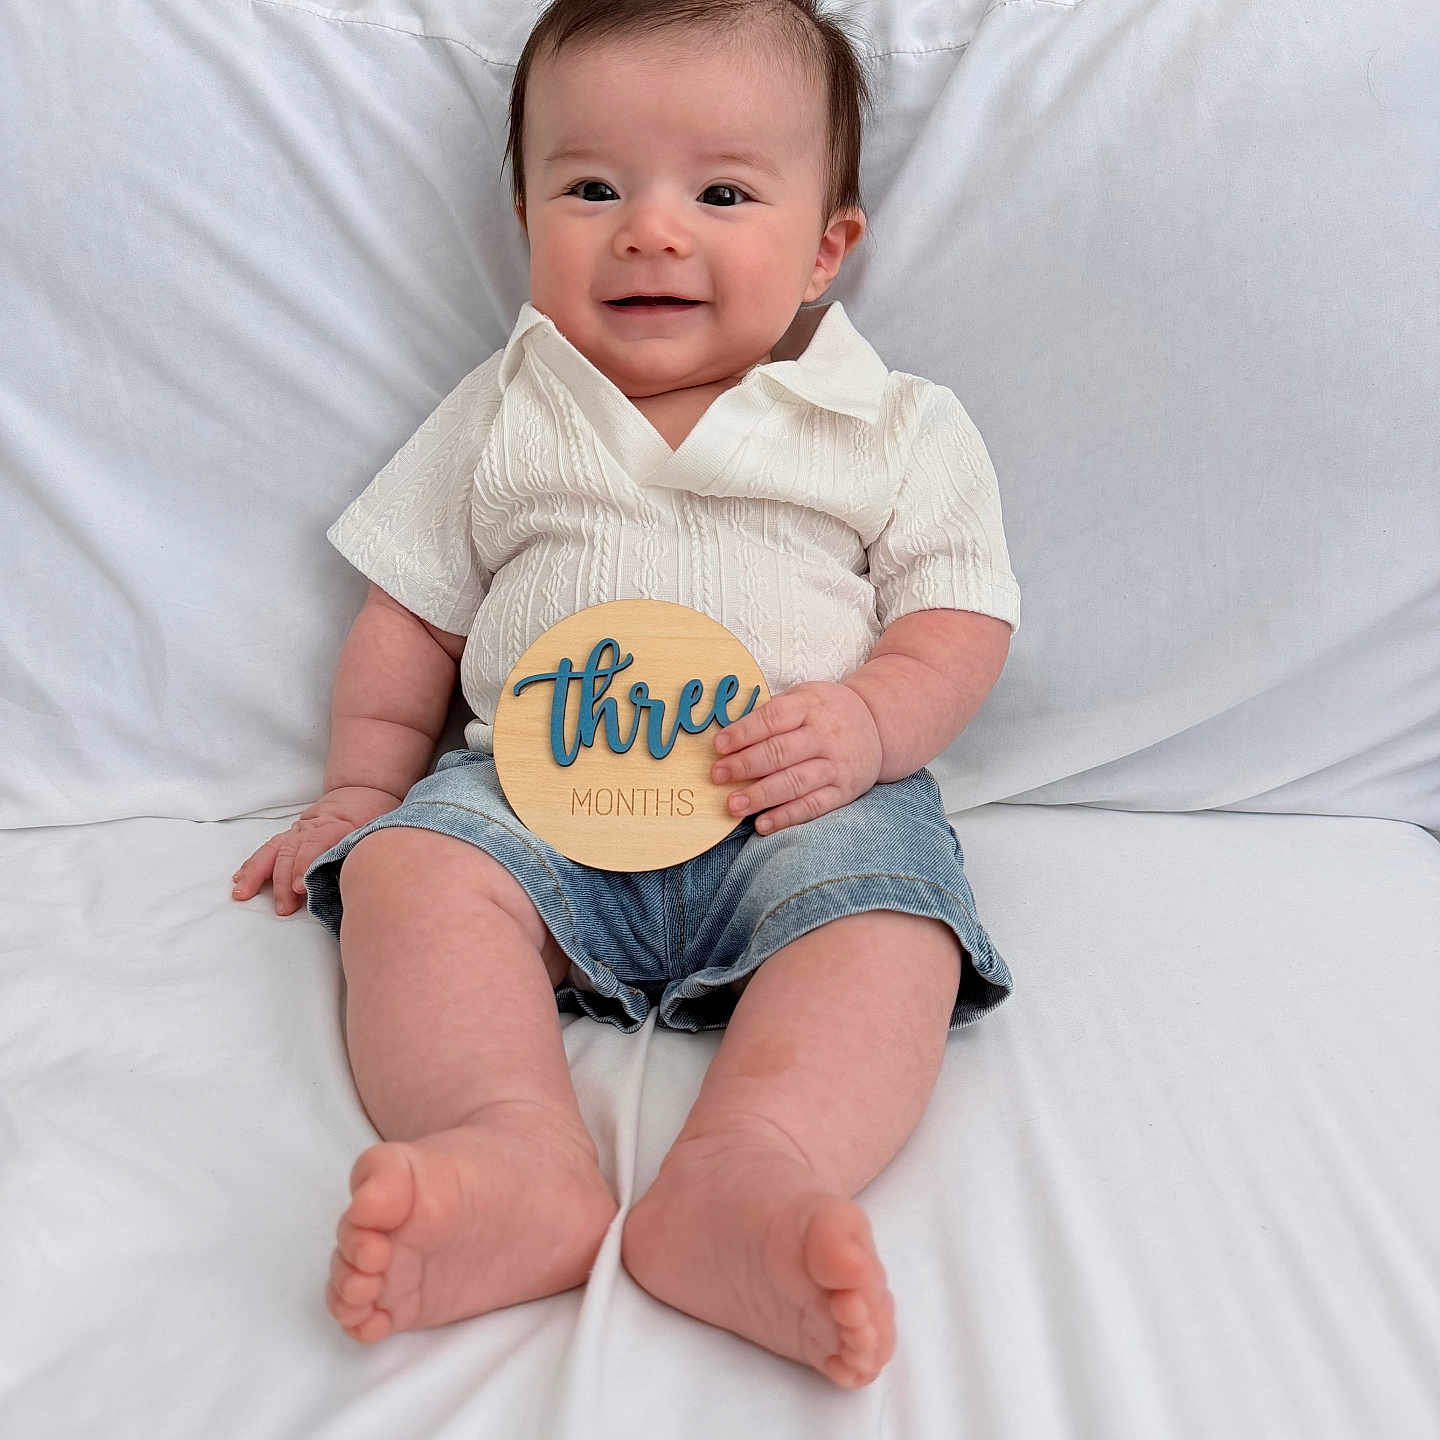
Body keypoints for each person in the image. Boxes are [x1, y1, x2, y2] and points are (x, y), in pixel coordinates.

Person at [231, 0, 1020, 1390]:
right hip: (535, 796)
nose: (651, 230)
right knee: (415, 873)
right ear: (523, 215)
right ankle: (508, 1151)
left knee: (893, 926)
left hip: (799, 803)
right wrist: (361, 789)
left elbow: (961, 616)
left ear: (827, 246)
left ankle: (749, 1177)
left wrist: (873, 723)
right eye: (592, 187)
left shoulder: (893, 422)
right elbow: (410, 613)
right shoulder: (505, 406)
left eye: (722, 192)